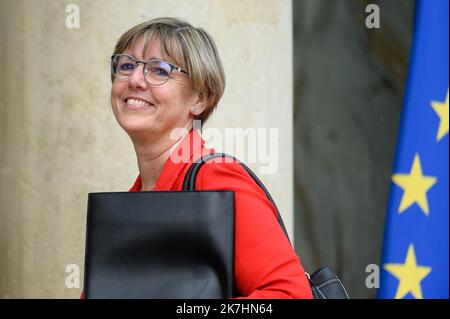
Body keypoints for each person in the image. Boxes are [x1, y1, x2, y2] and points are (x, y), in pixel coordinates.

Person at [109, 17, 312, 299]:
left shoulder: (215, 177)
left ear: (200, 98)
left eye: (159, 70)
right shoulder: (137, 195)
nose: (135, 80)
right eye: (127, 65)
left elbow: (291, 294)